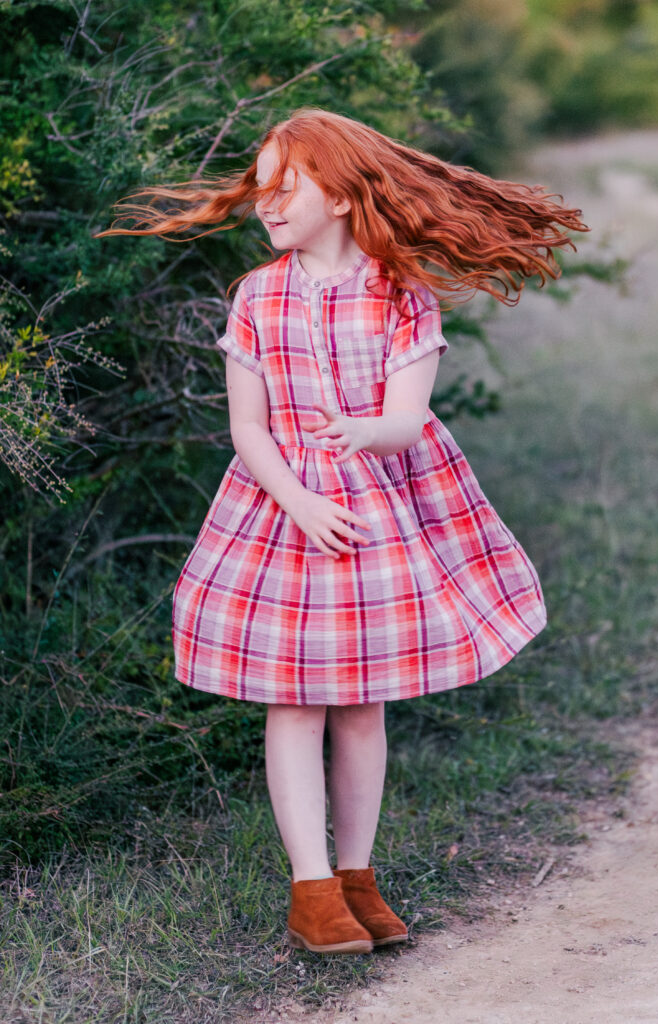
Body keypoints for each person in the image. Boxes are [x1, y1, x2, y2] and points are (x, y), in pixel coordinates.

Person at [99, 108, 587, 955]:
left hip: (374, 516)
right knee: (292, 703)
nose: (268, 203)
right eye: (261, 188)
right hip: (282, 514)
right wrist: (298, 499)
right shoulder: (257, 296)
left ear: (342, 190)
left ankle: (357, 877)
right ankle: (311, 890)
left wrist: (362, 433)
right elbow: (247, 429)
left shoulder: (400, 293)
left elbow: (407, 417)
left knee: (362, 705)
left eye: (288, 187)